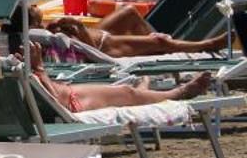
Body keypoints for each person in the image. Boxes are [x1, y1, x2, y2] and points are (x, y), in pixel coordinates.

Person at [30, 43, 212, 111]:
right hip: (71, 102)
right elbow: (53, 102)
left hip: (68, 94)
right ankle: (179, 92)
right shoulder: (18, 79)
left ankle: (142, 92)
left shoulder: (6, 78)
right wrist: (39, 69)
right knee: (126, 92)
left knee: (128, 92)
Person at [46, 11, 227, 57]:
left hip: (98, 34)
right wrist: (80, 27)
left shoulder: (42, 32)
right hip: (104, 47)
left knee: (129, 12)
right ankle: (207, 45)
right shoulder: (41, 40)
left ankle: (161, 50)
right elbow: (91, 53)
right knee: (157, 41)